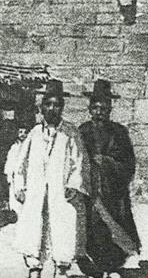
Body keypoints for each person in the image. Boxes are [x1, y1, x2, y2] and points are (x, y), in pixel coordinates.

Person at [13, 80, 90, 278]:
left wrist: (74, 184)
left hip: (61, 191)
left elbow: (79, 161)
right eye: (48, 104)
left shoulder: (71, 133)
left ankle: (61, 268)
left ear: (62, 108)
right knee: (35, 227)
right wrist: (20, 186)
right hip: (37, 190)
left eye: (57, 105)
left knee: (62, 226)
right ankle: (34, 267)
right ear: (42, 107)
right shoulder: (34, 133)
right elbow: (21, 162)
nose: (52, 109)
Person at [76, 79, 141, 278]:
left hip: (113, 190)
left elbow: (129, 162)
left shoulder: (120, 132)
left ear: (110, 108)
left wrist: (106, 162)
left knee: (115, 224)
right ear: (89, 108)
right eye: (95, 107)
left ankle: (113, 265)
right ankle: (95, 265)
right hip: (90, 188)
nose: (99, 112)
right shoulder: (82, 131)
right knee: (92, 226)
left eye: (104, 108)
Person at [4, 125, 29, 214]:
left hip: (26, 175)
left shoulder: (30, 148)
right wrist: (9, 176)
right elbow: (10, 162)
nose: (23, 134)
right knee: (15, 196)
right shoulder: (14, 147)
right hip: (16, 176)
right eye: (20, 132)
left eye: (25, 132)